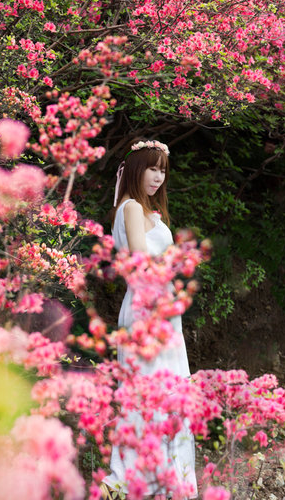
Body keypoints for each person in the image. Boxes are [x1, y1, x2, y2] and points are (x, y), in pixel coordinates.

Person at [102, 140, 197, 499]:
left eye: (162, 170)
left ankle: (168, 481)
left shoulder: (149, 212)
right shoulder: (129, 208)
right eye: (152, 168)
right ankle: (136, 481)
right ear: (136, 169)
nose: (158, 177)